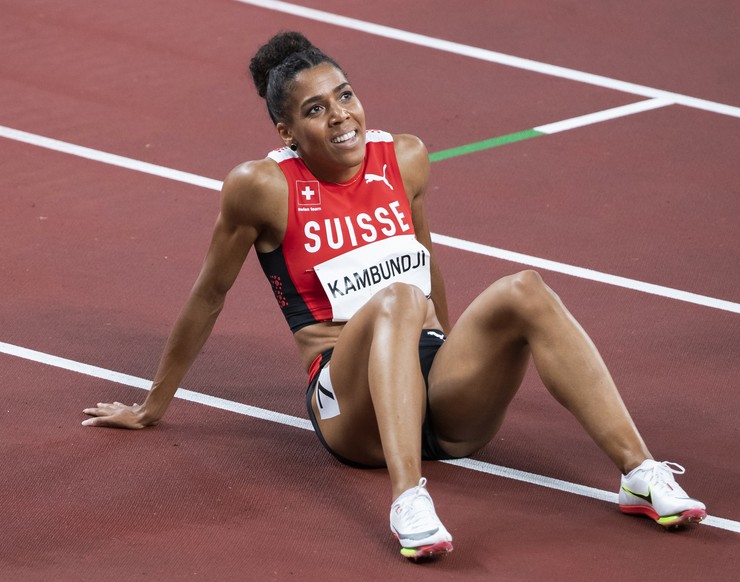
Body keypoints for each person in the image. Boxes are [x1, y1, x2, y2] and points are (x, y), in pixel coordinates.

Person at [83, 31, 706, 560]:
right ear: (288, 130)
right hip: (348, 406)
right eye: (316, 109)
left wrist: (460, 351)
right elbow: (208, 296)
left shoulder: (404, 157)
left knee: (524, 289)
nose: (341, 117)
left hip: (435, 388)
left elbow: (425, 255)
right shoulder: (261, 188)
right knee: (397, 300)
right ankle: (409, 499)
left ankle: (639, 474)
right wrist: (151, 406)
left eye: (345, 96)